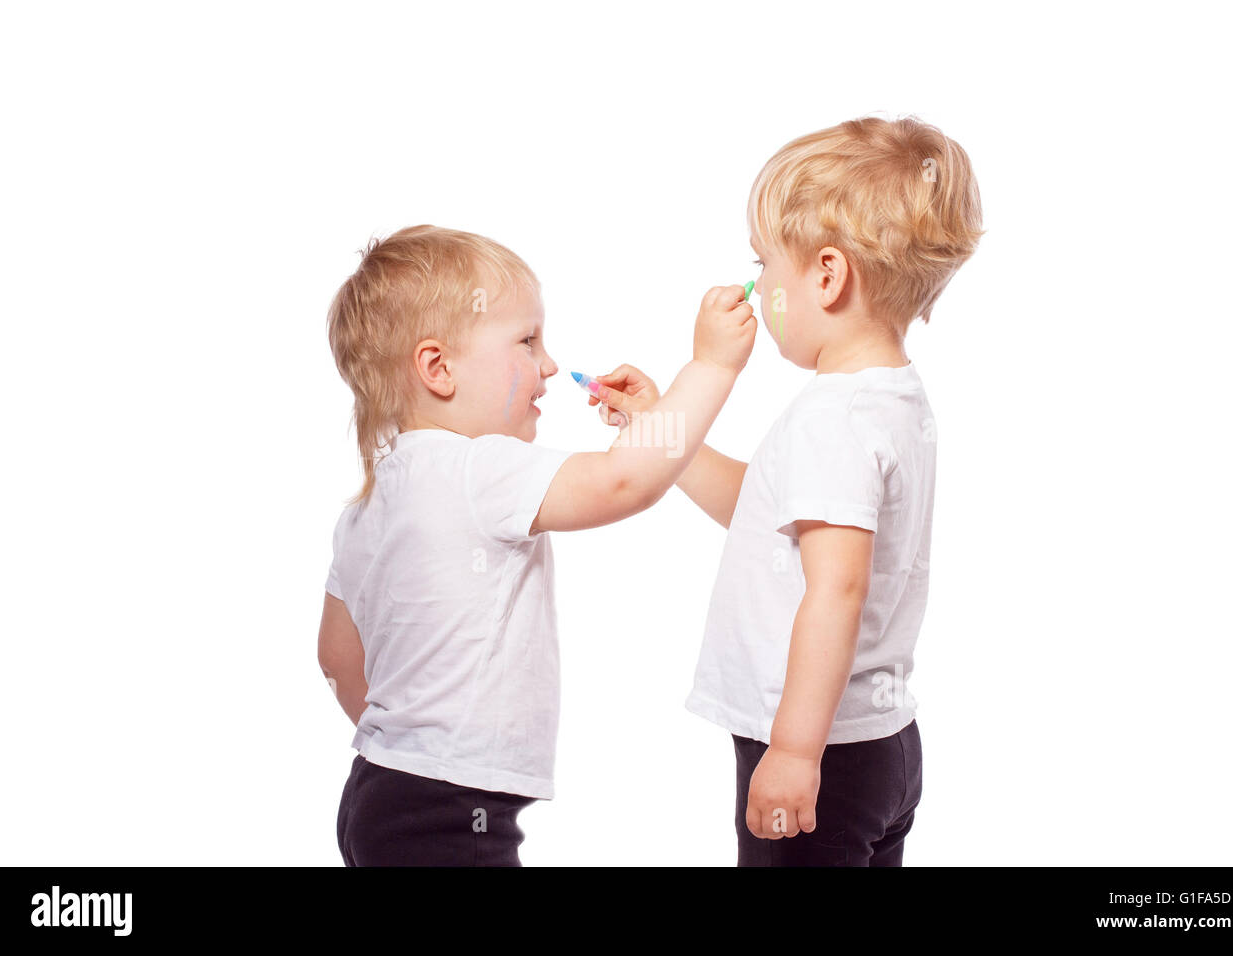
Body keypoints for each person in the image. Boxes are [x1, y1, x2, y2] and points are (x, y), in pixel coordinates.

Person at [596, 116, 983, 865]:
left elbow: (835, 590)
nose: (757, 285)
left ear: (828, 276)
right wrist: (657, 426)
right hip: (880, 745)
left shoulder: (833, 417)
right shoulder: (888, 398)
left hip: (822, 751)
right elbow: (764, 510)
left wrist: (796, 751)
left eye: (763, 265)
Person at [317, 225, 755, 865]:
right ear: (437, 368)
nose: (549, 364)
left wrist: (408, 746)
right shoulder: (476, 468)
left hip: (379, 794)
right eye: (527, 341)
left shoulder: (371, 501)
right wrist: (712, 366)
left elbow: (334, 655)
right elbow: (624, 480)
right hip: (447, 815)